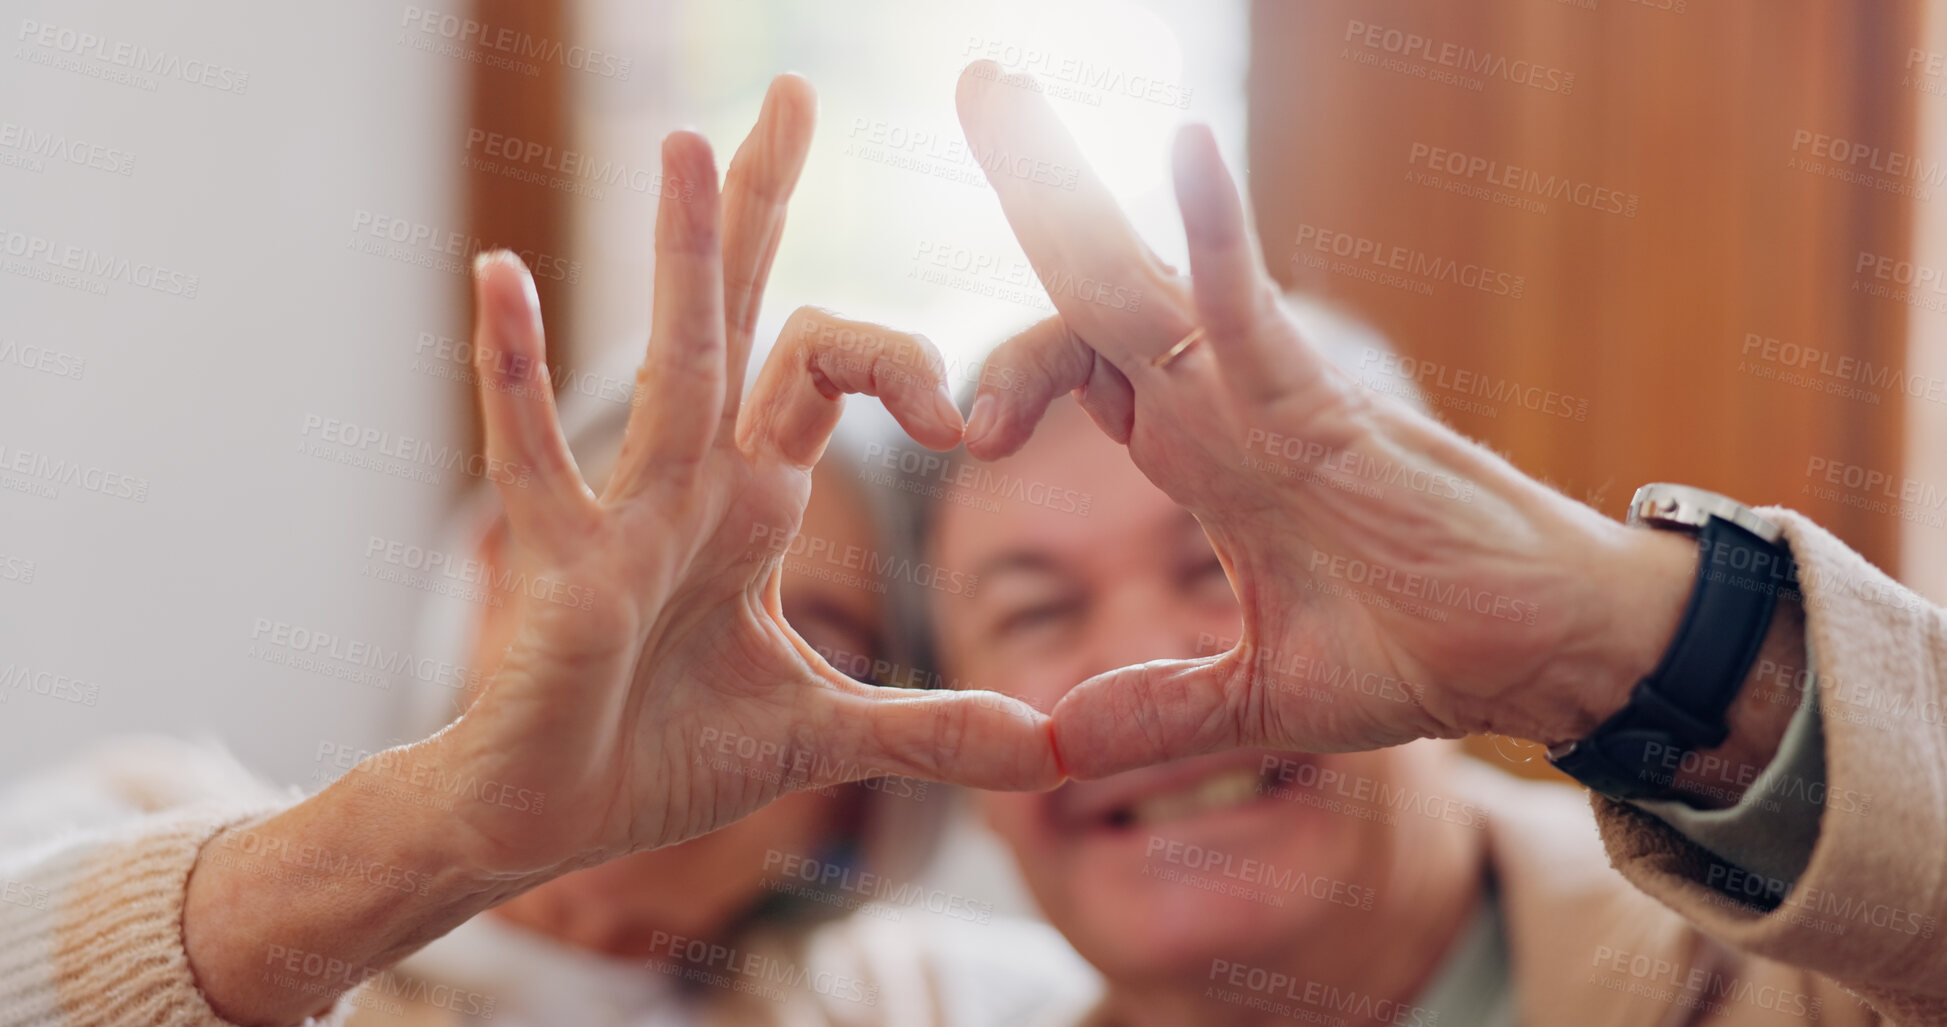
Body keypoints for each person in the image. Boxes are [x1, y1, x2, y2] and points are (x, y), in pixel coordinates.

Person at [0, 73, 1064, 1027]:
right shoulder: (136, 823)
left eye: (812, 644)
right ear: (496, 569)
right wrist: (445, 834)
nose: (671, 678)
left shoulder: (918, 998)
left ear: (864, 778)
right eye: (645, 593)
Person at [916, 59, 1947, 1023]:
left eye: (1215, 564)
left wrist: (1606, 638)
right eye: (1034, 610)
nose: (1143, 647)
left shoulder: (1800, 989)